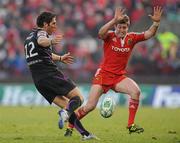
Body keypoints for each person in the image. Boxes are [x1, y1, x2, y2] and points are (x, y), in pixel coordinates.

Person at [64, 6, 163, 136]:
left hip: (118, 77)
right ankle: (70, 126)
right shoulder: (109, 35)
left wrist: (156, 23)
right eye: (119, 27)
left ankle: (130, 125)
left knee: (136, 92)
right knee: (90, 106)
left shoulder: (131, 38)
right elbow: (100, 33)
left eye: (124, 27)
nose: (122, 30)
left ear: (128, 27)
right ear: (116, 27)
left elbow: (149, 34)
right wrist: (113, 20)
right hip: (103, 75)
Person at [24, 11, 98, 140]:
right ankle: (65, 113)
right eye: (53, 23)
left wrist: (59, 57)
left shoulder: (29, 37)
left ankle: (85, 134)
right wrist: (51, 40)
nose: (55, 26)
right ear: (45, 24)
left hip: (39, 81)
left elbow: (42, 52)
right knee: (78, 98)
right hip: (50, 74)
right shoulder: (41, 33)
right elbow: (42, 41)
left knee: (67, 106)